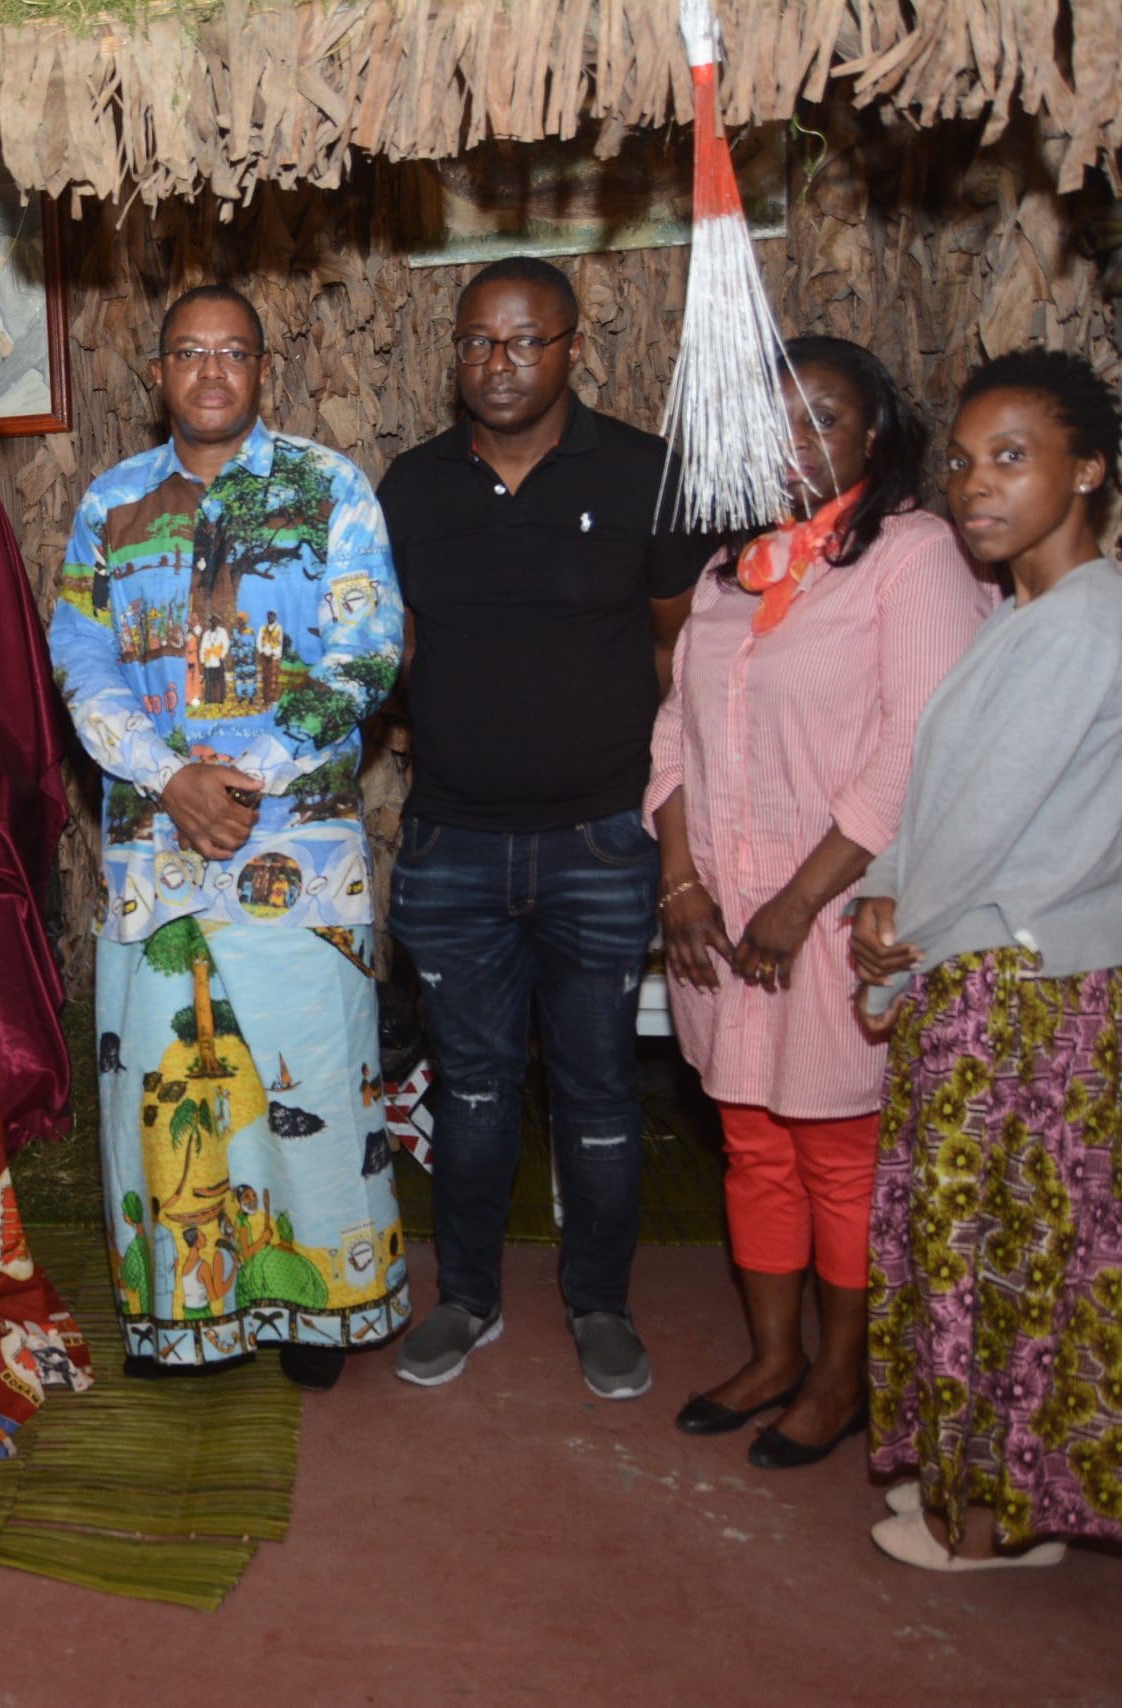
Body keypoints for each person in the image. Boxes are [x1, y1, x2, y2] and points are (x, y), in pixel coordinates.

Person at [52, 283, 409, 1391]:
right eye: (187, 354)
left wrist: (242, 778)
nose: (211, 373)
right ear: (156, 372)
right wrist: (170, 777)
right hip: (155, 850)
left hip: (294, 849)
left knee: (305, 1075)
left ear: (263, 370)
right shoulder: (108, 504)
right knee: (166, 1083)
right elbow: (80, 654)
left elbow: (368, 650)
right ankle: (182, 1312)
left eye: (234, 354)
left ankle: (322, 1309)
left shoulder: (327, 487)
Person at [645, 341, 991, 1468]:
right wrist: (681, 881)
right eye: (772, 425)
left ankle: (843, 1379)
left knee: (838, 1152)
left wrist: (798, 903)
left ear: (873, 434)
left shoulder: (911, 556)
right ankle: (774, 1356)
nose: (794, 445)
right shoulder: (724, 573)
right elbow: (675, 737)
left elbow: (916, 747)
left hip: (838, 911)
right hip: (724, 914)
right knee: (752, 1144)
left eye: (821, 420)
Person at [377, 256, 715, 1400]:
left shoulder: (641, 474)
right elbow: (391, 649)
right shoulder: (410, 486)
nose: (499, 363)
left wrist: (676, 826)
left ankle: (599, 1303)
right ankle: (465, 1296)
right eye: (476, 342)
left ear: (573, 346)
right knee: (469, 1090)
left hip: (599, 845)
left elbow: (684, 655)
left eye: (525, 341)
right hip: (452, 845)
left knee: (598, 1093)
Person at [854, 350, 1122, 1572]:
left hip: (1027, 995)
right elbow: (943, 799)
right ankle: (974, 1486)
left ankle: (995, 1522)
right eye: (964, 462)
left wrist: (890, 945)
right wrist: (885, 892)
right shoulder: (1024, 615)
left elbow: (987, 823)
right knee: (971, 1245)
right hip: (975, 972)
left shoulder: (1089, 617)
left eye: (1011, 458)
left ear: (1085, 469)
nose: (974, 486)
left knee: (1015, 1254)